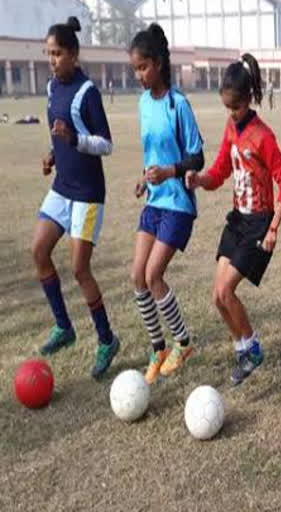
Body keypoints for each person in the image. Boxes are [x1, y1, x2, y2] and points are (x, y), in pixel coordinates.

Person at [187, 54, 281, 385]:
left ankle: (253, 348)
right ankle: (243, 349)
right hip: (237, 220)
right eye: (227, 108)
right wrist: (200, 179)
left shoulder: (263, 136)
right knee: (217, 296)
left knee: (227, 290)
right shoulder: (231, 129)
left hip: (258, 223)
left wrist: (274, 227)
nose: (231, 114)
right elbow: (220, 170)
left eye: (235, 107)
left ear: (248, 99)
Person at [33, 16, 120, 379]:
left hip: (87, 193)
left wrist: (73, 140)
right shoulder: (53, 89)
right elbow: (59, 132)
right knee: (38, 251)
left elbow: (106, 143)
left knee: (80, 269)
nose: (52, 60)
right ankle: (63, 327)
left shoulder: (88, 93)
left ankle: (106, 339)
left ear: (73, 54)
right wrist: (54, 153)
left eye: (57, 54)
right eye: (48, 54)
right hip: (62, 187)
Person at [129, 23, 205, 383]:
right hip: (155, 199)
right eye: (135, 68)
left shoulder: (179, 105)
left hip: (177, 203)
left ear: (158, 64)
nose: (139, 75)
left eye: (143, 67)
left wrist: (170, 172)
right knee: (136, 277)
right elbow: (151, 154)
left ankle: (184, 342)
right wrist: (146, 178)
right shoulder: (144, 103)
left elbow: (198, 157)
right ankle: (158, 347)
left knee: (153, 274)